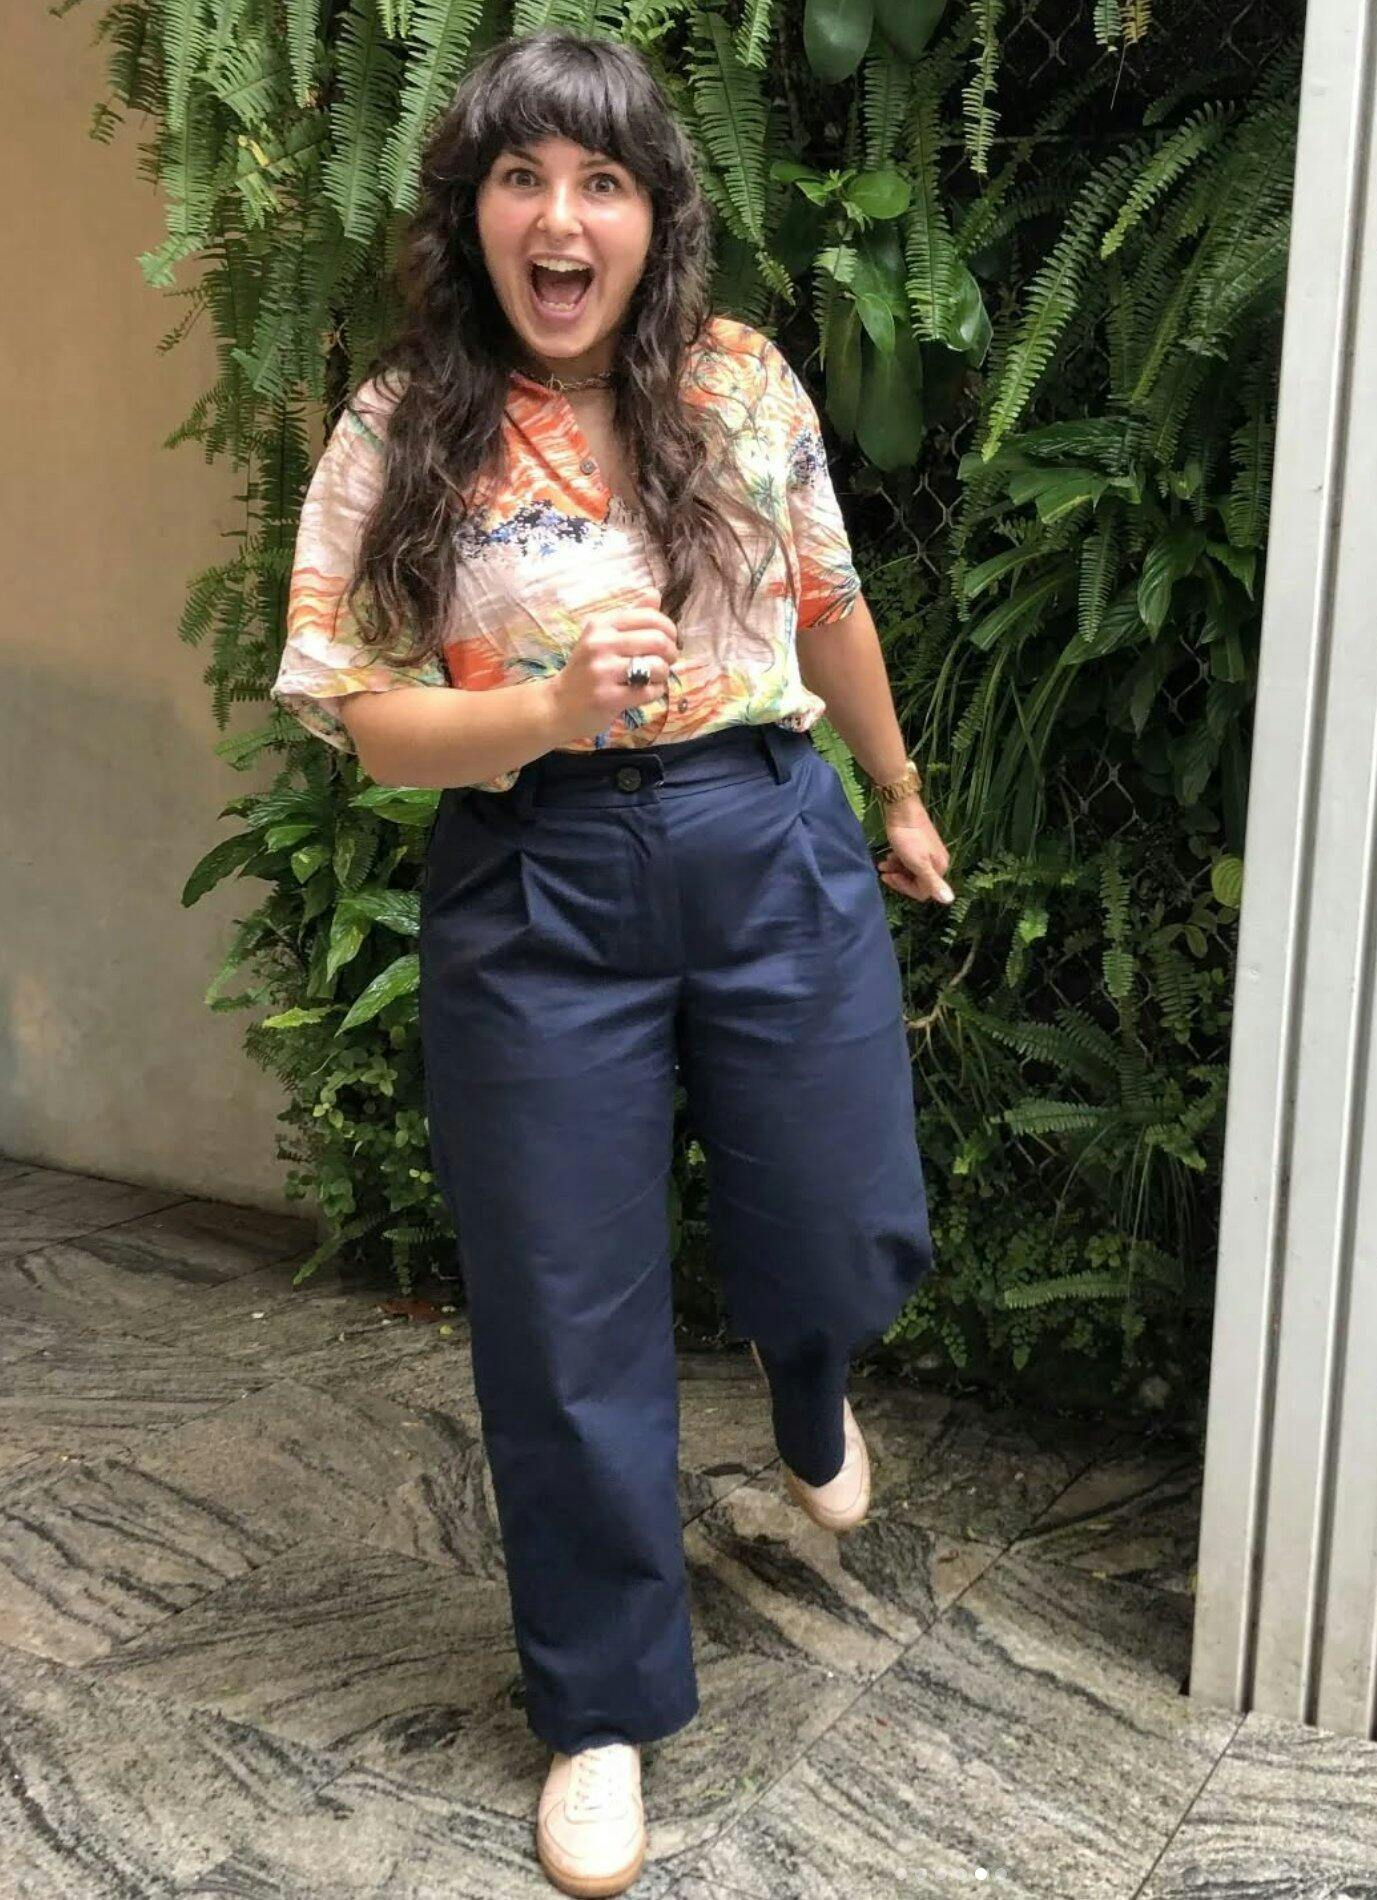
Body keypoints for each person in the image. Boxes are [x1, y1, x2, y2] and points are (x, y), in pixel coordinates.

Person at [269, 30, 947, 1897]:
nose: (560, 219)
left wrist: (896, 792)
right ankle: (599, 1712)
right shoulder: (400, 424)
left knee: (845, 1212)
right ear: (472, 211)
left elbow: (827, 603)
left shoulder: (740, 382)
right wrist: (550, 713)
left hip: (764, 837)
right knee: (564, 1322)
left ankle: (808, 1370)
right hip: (538, 882)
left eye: (602, 182)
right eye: (522, 178)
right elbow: (368, 722)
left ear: (655, 218)